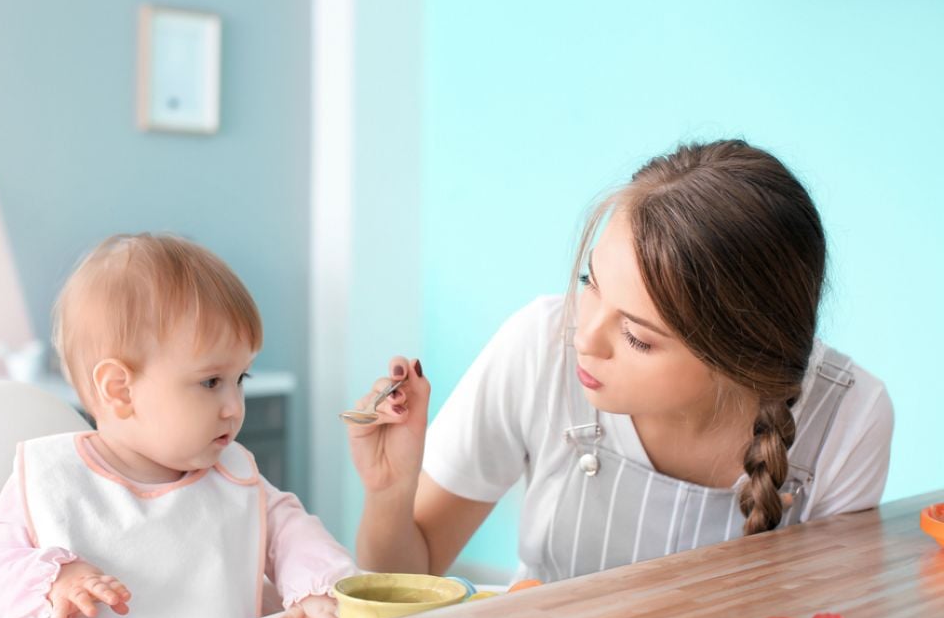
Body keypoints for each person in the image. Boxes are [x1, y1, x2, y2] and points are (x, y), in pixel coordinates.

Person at [347, 139, 893, 583]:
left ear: (741, 358)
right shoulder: (539, 345)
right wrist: (390, 492)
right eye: (590, 282)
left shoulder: (848, 417)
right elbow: (401, 580)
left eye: (636, 337)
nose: (585, 338)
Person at [0, 234, 356, 618]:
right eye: (210, 382)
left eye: (240, 379)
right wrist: (57, 581)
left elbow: (296, 538)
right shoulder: (54, 479)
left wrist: (315, 593)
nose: (233, 407)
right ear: (120, 390)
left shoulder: (235, 476)